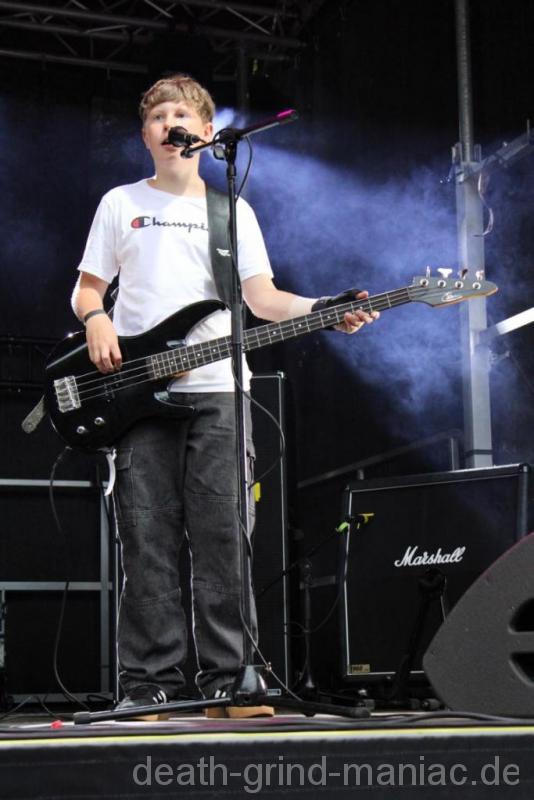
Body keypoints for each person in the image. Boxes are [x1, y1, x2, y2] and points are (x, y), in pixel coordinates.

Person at [71, 73, 379, 719]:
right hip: (138, 395)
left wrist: (325, 308)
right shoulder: (120, 202)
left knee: (223, 539)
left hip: (219, 391)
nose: (170, 124)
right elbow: (87, 288)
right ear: (145, 134)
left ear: (208, 133)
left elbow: (263, 300)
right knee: (147, 538)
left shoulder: (232, 211)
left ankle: (229, 681)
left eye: (181, 115)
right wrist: (96, 318)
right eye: (158, 117)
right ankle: (147, 685)